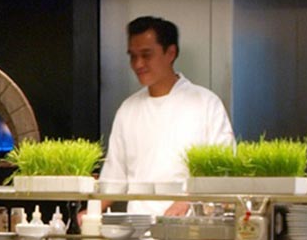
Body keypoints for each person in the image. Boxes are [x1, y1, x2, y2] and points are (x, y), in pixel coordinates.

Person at [100, 16, 234, 217]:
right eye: (133, 56)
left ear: (170, 53)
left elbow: (223, 168)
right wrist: (89, 212)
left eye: (146, 55)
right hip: (138, 227)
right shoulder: (128, 110)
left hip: (190, 227)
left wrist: (187, 200)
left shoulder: (205, 103)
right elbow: (114, 176)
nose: (138, 64)